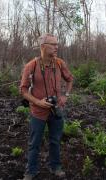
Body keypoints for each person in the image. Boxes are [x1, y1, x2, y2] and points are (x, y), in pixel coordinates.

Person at [20, 34, 73, 180]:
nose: (57, 47)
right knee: (34, 143)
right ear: (43, 46)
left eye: (57, 44)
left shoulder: (60, 63)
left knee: (55, 141)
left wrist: (65, 96)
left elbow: (70, 79)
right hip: (37, 112)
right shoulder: (31, 65)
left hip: (56, 111)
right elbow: (23, 90)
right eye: (53, 44)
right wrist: (38, 102)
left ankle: (55, 166)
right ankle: (31, 171)